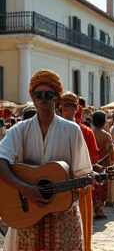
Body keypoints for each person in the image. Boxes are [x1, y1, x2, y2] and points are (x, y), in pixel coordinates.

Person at [0, 70, 94, 250]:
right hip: (26, 215)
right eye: (38, 94)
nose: (43, 98)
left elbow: (83, 174)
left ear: (57, 98)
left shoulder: (72, 131)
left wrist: (86, 183)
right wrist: (25, 188)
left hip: (63, 216)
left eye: (48, 94)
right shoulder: (19, 130)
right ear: (33, 98)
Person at [60, 91, 99, 251]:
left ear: (77, 109)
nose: (68, 109)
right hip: (59, 185)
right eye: (65, 106)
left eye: (71, 106)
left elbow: (91, 162)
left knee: (82, 222)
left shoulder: (86, 132)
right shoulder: (50, 128)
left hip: (80, 184)